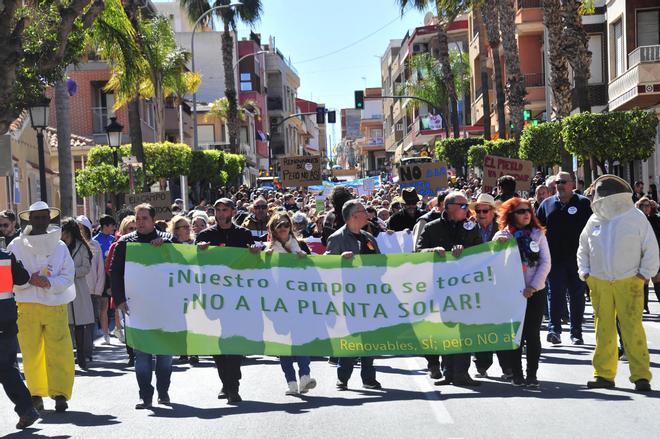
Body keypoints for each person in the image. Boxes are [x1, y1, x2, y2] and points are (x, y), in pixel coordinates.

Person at [577, 175, 658, 391]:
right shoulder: (593, 220)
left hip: (629, 280)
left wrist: (643, 274)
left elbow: (650, 248)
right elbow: (583, 249)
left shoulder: (636, 217)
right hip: (600, 282)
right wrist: (585, 273)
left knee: (632, 329)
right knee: (603, 329)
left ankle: (641, 376)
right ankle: (603, 374)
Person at [7, 201, 75, 413]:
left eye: (44, 217)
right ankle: (35, 394)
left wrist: (50, 283)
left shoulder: (60, 245)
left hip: (55, 304)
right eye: (36, 217)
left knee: (60, 350)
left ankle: (60, 394)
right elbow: (6, 277)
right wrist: (29, 281)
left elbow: (68, 275)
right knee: (31, 352)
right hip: (26, 306)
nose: (40, 221)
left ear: (49, 218)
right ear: (29, 219)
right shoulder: (15, 245)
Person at [110, 204, 177, 409]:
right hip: (136, 307)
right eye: (137, 218)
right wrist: (119, 299)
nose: (139, 222)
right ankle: (145, 396)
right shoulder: (124, 243)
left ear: (153, 220)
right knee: (142, 354)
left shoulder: (167, 240)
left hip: (165, 308)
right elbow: (115, 273)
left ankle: (163, 392)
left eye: (144, 218)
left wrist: (166, 248)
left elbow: (180, 264)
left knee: (165, 355)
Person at [195, 198, 257, 404]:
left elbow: (254, 264)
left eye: (225, 210)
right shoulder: (205, 236)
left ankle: (233, 385)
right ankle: (228, 382)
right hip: (213, 298)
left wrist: (255, 253)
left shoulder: (243, 234)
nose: (221, 214)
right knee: (218, 343)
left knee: (234, 340)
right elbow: (193, 265)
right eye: (218, 210)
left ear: (232, 211)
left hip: (238, 298)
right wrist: (200, 253)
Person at [417, 191, 482, 386]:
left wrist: (466, 252)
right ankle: (448, 373)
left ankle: (462, 373)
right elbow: (418, 253)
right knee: (446, 330)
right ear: (450, 207)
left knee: (464, 330)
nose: (466, 209)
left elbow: (481, 252)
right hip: (440, 287)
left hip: (464, 287)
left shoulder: (471, 228)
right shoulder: (431, 228)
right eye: (463, 206)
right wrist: (433, 251)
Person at [494, 198, 551, 387]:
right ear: (511, 214)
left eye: (528, 210)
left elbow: (545, 262)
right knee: (515, 334)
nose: (526, 214)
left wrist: (533, 286)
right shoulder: (502, 236)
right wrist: (498, 243)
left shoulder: (538, 234)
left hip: (534, 292)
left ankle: (532, 374)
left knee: (532, 334)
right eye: (520, 211)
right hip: (512, 293)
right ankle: (516, 374)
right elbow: (494, 261)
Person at [326, 199, 382, 391]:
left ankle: (368, 377)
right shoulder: (337, 238)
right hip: (347, 298)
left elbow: (380, 264)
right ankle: (343, 376)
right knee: (350, 337)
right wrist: (338, 260)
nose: (367, 213)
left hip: (369, 296)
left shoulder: (369, 238)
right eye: (363, 210)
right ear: (353, 216)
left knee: (371, 339)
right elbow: (326, 266)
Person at [264, 212, 317, 395]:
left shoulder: (301, 246)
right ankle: (291, 382)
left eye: (286, 224)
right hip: (277, 304)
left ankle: (305, 376)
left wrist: (306, 260)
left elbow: (316, 270)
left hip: (298, 301)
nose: (283, 227)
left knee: (301, 339)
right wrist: (264, 259)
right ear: (274, 230)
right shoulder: (268, 250)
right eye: (278, 225)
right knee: (283, 344)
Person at [537, 171, 592, 345]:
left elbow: (592, 229)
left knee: (577, 295)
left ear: (572, 184)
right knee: (555, 295)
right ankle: (554, 330)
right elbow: (536, 229)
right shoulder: (546, 204)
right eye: (557, 182)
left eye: (563, 182)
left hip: (577, 259)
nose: (559, 185)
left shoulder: (583, 203)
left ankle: (576, 332)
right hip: (554, 259)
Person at [471, 193, 512, 379]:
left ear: (493, 212)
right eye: (477, 210)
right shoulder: (469, 229)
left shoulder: (504, 229)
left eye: (484, 210)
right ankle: (481, 364)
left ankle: (508, 367)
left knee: (502, 325)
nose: (480, 213)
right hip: (477, 284)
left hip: (500, 283)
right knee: (481, 325)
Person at [0, 246, 40, 429]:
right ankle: (26, 409)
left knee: (6, 368)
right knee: (7, 367)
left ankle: (26, 409)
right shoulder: (6, 257)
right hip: (6, 320)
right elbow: (23, 278)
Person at [61, 218, 94, 371]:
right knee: (66, 325)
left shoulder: (82, 247)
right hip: (63, 289)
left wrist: (71, 272)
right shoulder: (59, 248)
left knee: (80, 325)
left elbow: (86, 268)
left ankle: (81, 356)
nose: (63, 237)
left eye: (66, 234)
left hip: (78, 288)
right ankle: (68, 356)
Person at [104, 216, 136, 363]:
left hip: (143, 289)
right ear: (124, 230)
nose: (134, 231)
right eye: (130, 228)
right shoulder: (117, 246)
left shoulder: (148, 245)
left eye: (135, 228)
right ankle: (132, 353)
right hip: (125, 289)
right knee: (128, 321)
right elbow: (109, 268)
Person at [76, 216, 105, 362]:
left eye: (82, 227)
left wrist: (98, 290)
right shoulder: (73, 247)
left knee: (89, 322)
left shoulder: (95, 245)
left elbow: (100, 270)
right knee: (77, 323)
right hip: (76, 291)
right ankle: (79, 350)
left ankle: (87, 351)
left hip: (92, 291)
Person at [635, 197, 660, 313]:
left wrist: (657, 208)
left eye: (648, 205)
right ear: (639, 207)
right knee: (644, 279)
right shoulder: (636, 220)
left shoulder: (655, 219)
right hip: (640, 254)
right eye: (643, 206)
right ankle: (644, 306)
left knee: (657, 278)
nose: (646, 208)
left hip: (655, 252)